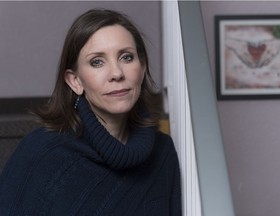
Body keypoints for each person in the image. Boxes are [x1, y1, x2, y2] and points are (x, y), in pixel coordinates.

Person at [0, 9, 181, 215]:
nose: (116, 73)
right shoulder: (40, 152)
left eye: (126, 57)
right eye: (97, 62)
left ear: (142, 67)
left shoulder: (162, 152)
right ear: (75, 81)